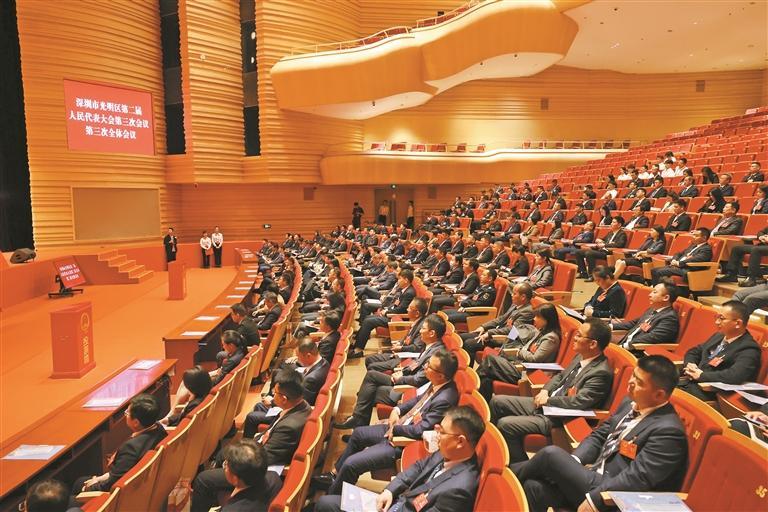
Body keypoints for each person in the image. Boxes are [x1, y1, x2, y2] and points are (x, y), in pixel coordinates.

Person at [512, 355, 687, 512]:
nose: (631, 382)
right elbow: (600, 435)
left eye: (639, 382)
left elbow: (637, 478)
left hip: (616, 496)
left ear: (659, 395)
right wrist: (574, 462)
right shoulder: (629, 403)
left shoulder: (668, 432)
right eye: (633, 375)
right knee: (534, 487)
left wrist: (596, 499)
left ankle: (504, 474)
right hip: (595, 476)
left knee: (551, 455)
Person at [313, 350, 460, 495]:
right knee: (358, 434)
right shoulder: (437, 383)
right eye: (427, 363)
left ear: (440, 375)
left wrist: (395, 429)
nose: (425, 367)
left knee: (351, 464)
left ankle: (332, 499)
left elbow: (420, 430)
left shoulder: (445, 399)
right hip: (401, 426)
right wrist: (397, 409)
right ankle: (334, 476)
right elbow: (418, 400)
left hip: (402, 442)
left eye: (429, 366)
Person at [315, 406, 485, 512]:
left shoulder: (459, 490)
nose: (436, 435)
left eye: (442, 432)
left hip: (399, 507)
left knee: (326, 505)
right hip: (396, 502)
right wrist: (389, 491)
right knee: (326, 503)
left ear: (460, 441)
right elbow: (418, 467)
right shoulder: (449, 452)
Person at [491, 318, 614, 464]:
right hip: (547, 404)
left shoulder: (601, 373)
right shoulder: (581, 356)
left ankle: (519, 467)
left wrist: (549, 400)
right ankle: (494, 451)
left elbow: (579, 401)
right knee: (497, 401)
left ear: (592, 344)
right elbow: (560, 376)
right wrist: (545, 390)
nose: (574, 337)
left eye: (579, 335)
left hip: (558, 417)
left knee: (505, 424)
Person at [335, 314, 447, 429]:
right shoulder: (431, 346)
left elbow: (419, 379)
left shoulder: (436, 355)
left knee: (370, 387)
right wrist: (403, 371)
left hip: (409, 389)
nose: (420, 331)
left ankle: (358, 423)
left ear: (432, 333)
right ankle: (359, 423)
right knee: (370, 384)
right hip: (406, 379)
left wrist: (401, 378)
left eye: (423, 328)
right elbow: (417, 364)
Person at [73, 395, 166, 493]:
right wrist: (99, 478)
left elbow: (113, 484)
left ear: (136, 422)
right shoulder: (159, 429)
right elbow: (119, 473)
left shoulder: (131, 448)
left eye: (127, 413)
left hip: (128, 492)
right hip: (143, 482)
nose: (125, 415)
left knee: (78, 485)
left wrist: (87, 489)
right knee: (80, 481)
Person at [243, 338, 328, 438]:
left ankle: (264, 436)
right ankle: (267, 432)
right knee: (259, 405)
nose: (297, 359)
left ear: (308, 355)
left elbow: (298, 401)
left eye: (298, 356)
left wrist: (272, 402)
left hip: (294, 413)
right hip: (293, 405)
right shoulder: (323, 362)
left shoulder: (311, 379)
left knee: (251, 417)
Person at [678, 300, 760, 401]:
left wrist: (702, 375)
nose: (716, 322)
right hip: (690, 382)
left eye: (721, 318)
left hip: (709, 392)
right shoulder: (719, 336)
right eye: (716, 317)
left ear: (738, 323)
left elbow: (735, 376)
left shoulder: (749, 348)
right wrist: (690, 364)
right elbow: (694, 351)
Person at [477, 303, 562, 401]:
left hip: (528, 374)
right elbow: (526, 347)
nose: (534, 319)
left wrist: (519, 352)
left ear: (547, 319)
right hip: (521, 365)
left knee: (490, 360)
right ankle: (480, 403)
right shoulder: (542, 331)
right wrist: (521, 352)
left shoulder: (551, 338)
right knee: (487, 378)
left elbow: (535, 358)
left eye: (538, 317)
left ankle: (472, 388)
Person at [191, 442, 283, 512]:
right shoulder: (274, 477)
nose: (224, 467)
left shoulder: (232, 510)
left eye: (226, 464)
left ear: (235, 479)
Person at [351, 269, 416, 358]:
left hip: (396, 319)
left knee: (368, 321)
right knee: (367, 318)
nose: (398, 281)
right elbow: (395, 303)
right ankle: (357, 343)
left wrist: (386, 312)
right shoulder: (404, 289)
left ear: (406, 280)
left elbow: (401, 309)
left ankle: (358, 350)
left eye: (400, 279)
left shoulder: (409, 293)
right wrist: (386, 309)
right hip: (392, 314)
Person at [612, 280, 680, 351]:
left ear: (666, 298)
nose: (649, 295)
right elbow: (634, 323)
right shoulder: (652, 309)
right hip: (625, 345)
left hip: (637, 351)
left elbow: (651, 338)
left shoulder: (670, 318)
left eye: (654, 292)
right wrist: (611, 326)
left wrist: (624, 346)